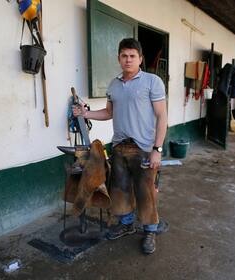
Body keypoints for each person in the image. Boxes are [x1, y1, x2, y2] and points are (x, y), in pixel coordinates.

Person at [73, 38, 167, 254]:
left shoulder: (152, 82)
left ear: (140, 59)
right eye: (124, 55)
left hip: (144, 147)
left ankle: (150, 231)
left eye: (133, 56)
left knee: (146, 192)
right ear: (118, 58)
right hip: (119, 147)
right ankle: (126, 224)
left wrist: (157, 149)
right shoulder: (114, 84)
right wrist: (85, 113)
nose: (128, 60)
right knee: (120, 190)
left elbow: (162, 117)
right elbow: (109, 112)